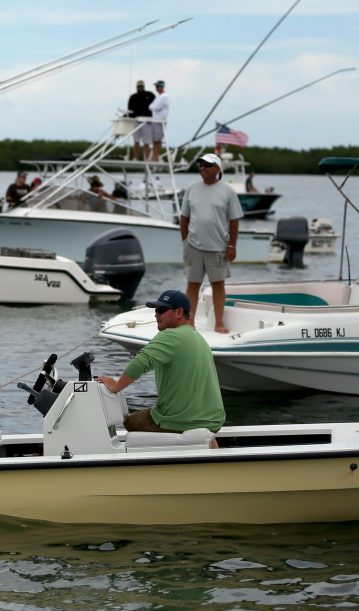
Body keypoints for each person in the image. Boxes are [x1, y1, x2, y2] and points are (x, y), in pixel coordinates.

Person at [95, 289, 226, 435]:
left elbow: (139, 363)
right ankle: (209, 442)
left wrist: (115, 387)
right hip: (214, 421)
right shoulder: (198, 338)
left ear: (178, 312)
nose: (156, 314)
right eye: (156, 310)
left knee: (130, 422)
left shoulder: (169, 336)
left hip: (182, 421)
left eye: (162, 310)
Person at [180, 153, 243, 334]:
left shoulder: (228, 191)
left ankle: (219, 323)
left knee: (218, 285)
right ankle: (189, 324)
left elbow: (234, 221)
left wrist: (232, 245)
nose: (203, 168)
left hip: (219, 248)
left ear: (218, 169)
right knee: (192, 285)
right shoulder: (191, 189)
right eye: (201, 165)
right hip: (193, 246)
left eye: (208, 165)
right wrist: (185, 242)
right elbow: (184, 218)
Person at [127, 79, 155, 160]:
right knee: (136, 141)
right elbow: (129, 110)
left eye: (141, 86)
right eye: (139, 86)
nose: (140, 87)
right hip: (136, 121)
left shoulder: (150, 95)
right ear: (136, 87)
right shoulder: (133, 97)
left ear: (144, 86)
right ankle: (136, 157)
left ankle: (147, 158)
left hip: (147, 122)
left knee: (147, 142)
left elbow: (155, 106)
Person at [148, 80, 169, 162]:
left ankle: (155, 158)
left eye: (157, 86)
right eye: (156, 86)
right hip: (155, 121)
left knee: (157, 140)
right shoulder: (159, 96)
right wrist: (152, 106)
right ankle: (154, 157)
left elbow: (154, 107)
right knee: (155, 140)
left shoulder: (164, 96)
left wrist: (151, 106)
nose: (156, 88)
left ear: (161, 87)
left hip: (159, 121)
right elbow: (153, 106)